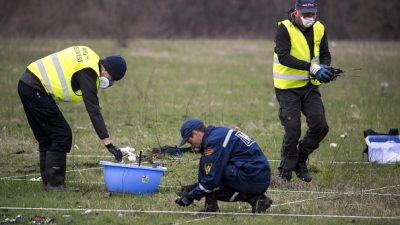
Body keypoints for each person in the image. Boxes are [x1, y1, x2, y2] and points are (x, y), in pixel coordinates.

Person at [17, 46, 127, 190]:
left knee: (46, 137)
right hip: (36, 89)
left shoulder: (90, 56)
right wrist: (108, 143)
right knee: (62, 134)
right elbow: (93, 110)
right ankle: (55, 185)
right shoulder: (89, 72)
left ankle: (48, 183)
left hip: (26, 83)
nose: (108, 82)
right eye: (111, 79)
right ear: (106, 70)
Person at [272, 0, 333, 183]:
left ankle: (300, 159)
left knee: (320, 126)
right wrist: (312, 68)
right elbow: (283, 57)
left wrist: (325, 68)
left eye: (313, 14)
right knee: (292, 131)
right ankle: (285, 173)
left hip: (309, 87)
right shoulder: (284, 28)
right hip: (287, 89)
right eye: (306, 15)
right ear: (296, 12)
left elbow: (325, 53)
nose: (310, 18)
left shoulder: (320, 28)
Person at [174, 118, 272, 213]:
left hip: (255, 176)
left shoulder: (214, 141)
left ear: (196, 134)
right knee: (210, 175)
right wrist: (194, 187)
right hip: (255, 174)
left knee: (214, 177)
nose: (192, 145)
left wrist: (191, 196)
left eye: (190, 141)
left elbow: (212, 177)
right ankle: (257, 200)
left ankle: (213, 208)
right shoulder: (215, 135)